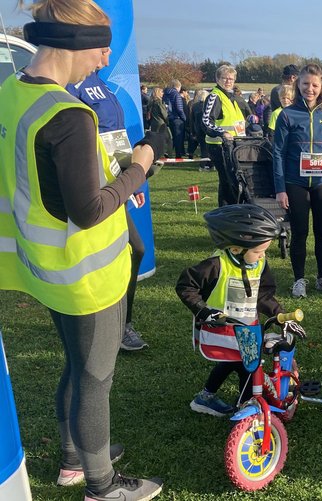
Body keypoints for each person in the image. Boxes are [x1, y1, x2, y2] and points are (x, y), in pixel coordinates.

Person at [0, 1, 165, 498]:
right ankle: (101, 485)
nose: (102, 61)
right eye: (100, 49)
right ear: (74, 44)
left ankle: (76, 456)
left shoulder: (12, 92)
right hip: (86, 274)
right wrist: (141, 165)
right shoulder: (69, 115)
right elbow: (90, 210)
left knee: (77, 364)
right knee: (95, 377)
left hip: (45, 267)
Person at [176, 204, 304, 416]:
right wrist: (203, 310)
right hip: (222, 331)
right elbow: (185, 286)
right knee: (246, 366)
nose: (262, 256)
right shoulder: (217, 264)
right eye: (258, 251)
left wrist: (280, 316)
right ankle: (246, 406)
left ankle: (206, 397)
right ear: (236, 248)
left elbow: (263, 295)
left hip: (247, 330)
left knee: (235, 364)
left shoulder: (260, 264)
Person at [67, 70, 150, 351]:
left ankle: (121, 323)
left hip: (113, 181)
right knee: (123, 252)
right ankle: (107, 325)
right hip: (92, 188)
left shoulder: (100, 82)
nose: (107, 54)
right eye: (102, 47)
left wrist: (129, 177)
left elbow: (113, 137)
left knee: (134, 250)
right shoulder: (69, 83)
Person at [272, 64, 322, 298]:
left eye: (315, 85)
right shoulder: (287, 114)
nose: (310, 89)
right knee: (300, 233)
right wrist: (280, 188)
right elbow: (278, 153)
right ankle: (299, 280)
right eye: (305, 84)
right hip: (296, 183)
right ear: (298, 85)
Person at [202, 64, 246, 206]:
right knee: (227, 179)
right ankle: (226, 209)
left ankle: (232, 208)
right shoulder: (215, 96)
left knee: (233, 179)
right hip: (219, 145)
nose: (228, 81)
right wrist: (221, 132)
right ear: (217, 79)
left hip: (234, 144)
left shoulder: (232, 97)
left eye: (231, 79)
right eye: (225, 78)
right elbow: (206, 121)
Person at [163, 78, 186, 158]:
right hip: (177, 118)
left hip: (168, 118)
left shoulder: (165, 93)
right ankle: (178, 155)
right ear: (178, 86)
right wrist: (184, 118)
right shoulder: (176, 94)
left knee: (170, 138)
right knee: (178, 138)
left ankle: (168, 153)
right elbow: (179, 108)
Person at [189, 89, 208, 159]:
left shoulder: (195, 106)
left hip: (198, 128)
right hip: (207, 128)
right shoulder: (208, 106)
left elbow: (192, 120)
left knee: (203, 147)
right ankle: (207, 164)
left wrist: (192, 132)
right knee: (208, 147)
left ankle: (203, 163)